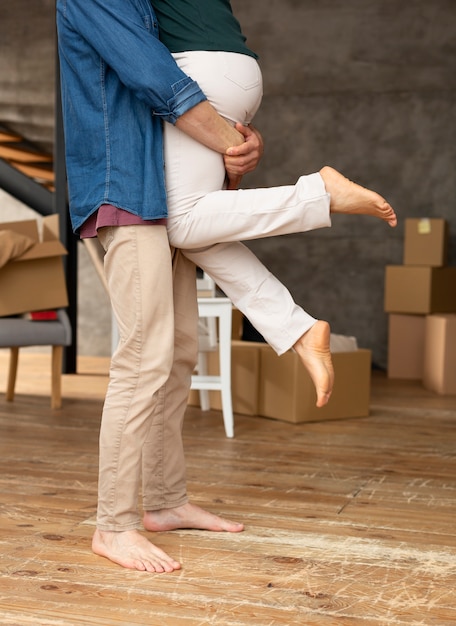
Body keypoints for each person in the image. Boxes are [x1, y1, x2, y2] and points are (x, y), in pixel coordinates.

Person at [56, 0, 264, 574]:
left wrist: (232, 145)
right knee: (145, 353)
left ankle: (166, 501)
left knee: (178, 353)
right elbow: (155, 76)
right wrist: (229, 139)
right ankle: (113, 525)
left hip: (161, 185)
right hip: (123, 183)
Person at [151, 0, 397, 407]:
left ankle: (320, 193)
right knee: (201, 233)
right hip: (234, 69)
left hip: (196, 68)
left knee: (180, 221)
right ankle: (297, 330)